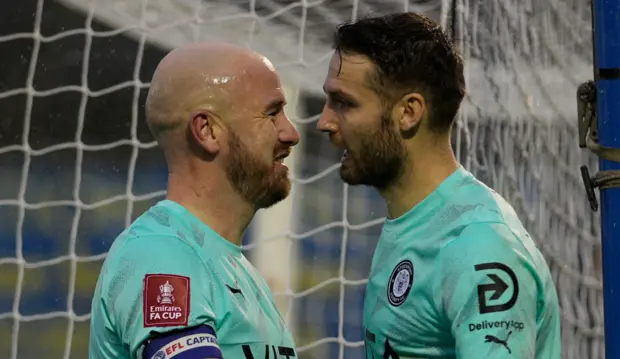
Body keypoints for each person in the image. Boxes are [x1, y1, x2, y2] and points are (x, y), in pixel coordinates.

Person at [317, 12, 561, 359]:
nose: (324, 122)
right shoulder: (417, 223)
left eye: (344, 103)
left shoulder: (477, 245)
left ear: (409, 112)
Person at [88, 42, 300, 359]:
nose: (291, 133)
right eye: (272, 114)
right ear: (207, 131)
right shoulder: (161, 254)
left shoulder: (236, 269)